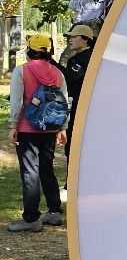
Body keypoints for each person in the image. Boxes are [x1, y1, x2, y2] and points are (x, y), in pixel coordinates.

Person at [7, 33, 70, 233]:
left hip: (28, 128)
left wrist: (13, 125)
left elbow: (16, 101)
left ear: (29, 50)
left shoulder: (21, 71)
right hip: (50, 126)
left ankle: (31, 218)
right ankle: (54, 212)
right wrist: (63, 128)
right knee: (46, 168)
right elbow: (64, 101)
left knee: (30, 172)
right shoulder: (58, 73)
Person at [59, 23, 96, 175]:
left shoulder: (85, 58)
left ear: (85, 39)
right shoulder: (81, 57)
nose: (70, 40)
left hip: (79, 108)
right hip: (78, 106)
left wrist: (52, 63)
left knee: (74, 146)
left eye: (74, 37)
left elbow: (69, 78)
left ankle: (72, 182)